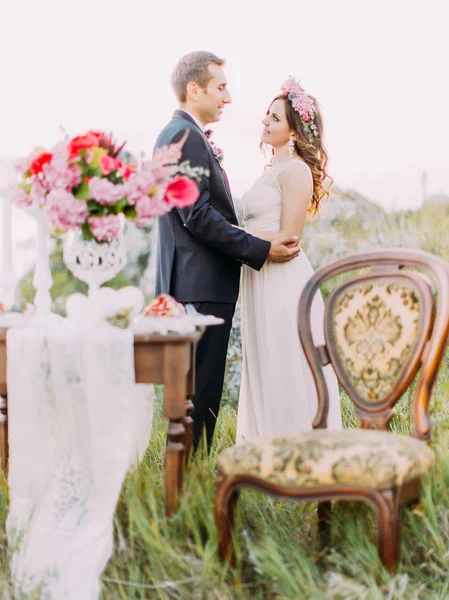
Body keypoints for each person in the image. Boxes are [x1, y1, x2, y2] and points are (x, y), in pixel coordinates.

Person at [154, 52, 300, 450]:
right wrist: (259, 248)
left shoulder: (183, 135)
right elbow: (197, 216)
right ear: (194, 89)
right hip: (198, 288)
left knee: (198, 396)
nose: (228, 97)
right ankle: (188, 492)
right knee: (197, 399)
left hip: (196, 285)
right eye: (220, 87)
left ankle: (189, 485)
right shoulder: (184, 137)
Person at [236, 76, 342, 442]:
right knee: (266, 360)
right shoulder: (270, 173)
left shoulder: (295, 171)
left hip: (283, 280)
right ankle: (267, 446)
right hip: (258, 273)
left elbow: (289, 238)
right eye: (267, 115)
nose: (265, 121)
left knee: (284, 359)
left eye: (275, 118)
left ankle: (298, 446)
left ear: (294, 132)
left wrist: (233, 238)